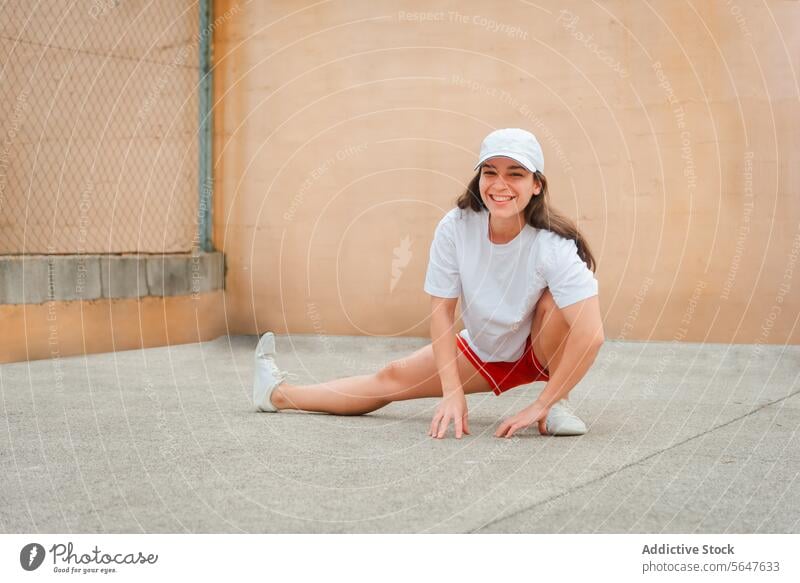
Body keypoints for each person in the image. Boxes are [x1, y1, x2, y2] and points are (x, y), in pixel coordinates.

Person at [253, 128, 605, 439]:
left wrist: (541, 403)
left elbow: (590, 333)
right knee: (390, 378)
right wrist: (452, 391)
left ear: (536, 184)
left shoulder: (552, 244)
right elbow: (441, 311)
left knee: (558, 303)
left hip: (542, 348)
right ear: (479, 178)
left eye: (516, 174)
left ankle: (559, 403)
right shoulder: (456, 227)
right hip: (488, 348)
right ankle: (277, 394)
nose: (500, 184)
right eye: (490, 172)